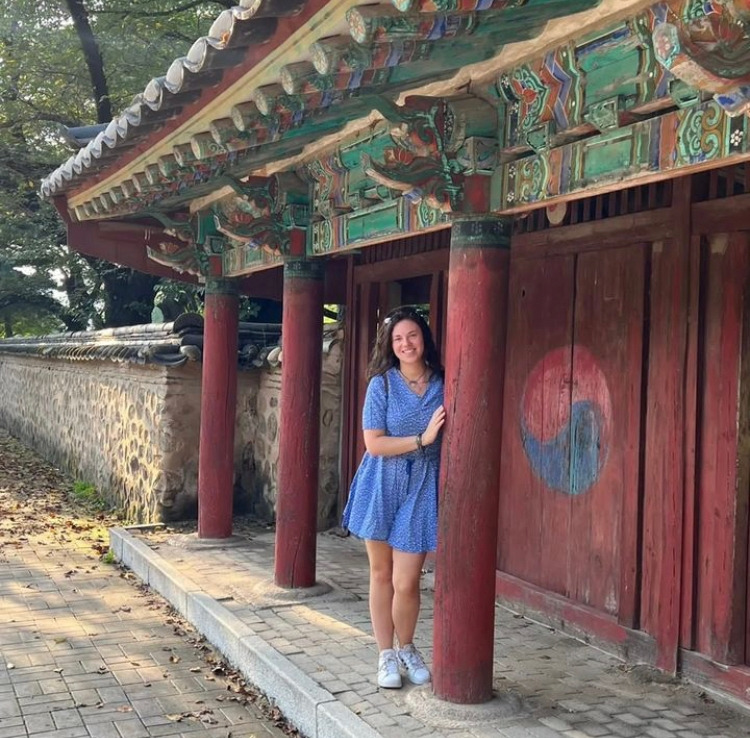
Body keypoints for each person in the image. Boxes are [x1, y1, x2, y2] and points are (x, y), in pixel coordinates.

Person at [342, 305, 446, 689]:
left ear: (424, 338)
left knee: (407, 581)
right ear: (390, 344)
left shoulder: (444, 383)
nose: (406, 344)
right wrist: (422, 439)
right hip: (382, 481)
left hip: (422, 484)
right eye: (398, 338)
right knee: (381, 573)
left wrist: (428, 446)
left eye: (412, 335)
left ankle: (407, 647)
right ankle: (385, 653)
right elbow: (374, 443)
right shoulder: (381, 385)